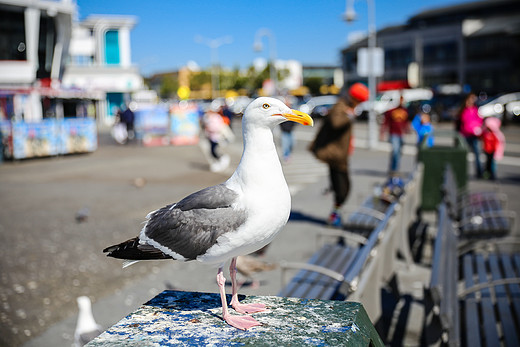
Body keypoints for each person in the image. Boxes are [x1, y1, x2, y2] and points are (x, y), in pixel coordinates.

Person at [309, 82, 369, 227]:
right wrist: (349, 115)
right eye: (359, 102)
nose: (359, 105)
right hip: (335, 155)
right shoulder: (341, 105)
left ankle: (335, 214)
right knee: (343, 189)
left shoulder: (345, 105)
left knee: (341, 188)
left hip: (340, 154)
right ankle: (335, 216)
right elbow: (335, 122)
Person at [380, 94, 410, 173]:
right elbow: (386, 122)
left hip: (401, 134)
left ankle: (395, 168)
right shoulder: (392, 111)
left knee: (399, 152)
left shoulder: (405, 111)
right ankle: (394, 169)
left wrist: (407, 130)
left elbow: (405, 122)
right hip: (393, 134)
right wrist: (382, 132)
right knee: (395, 151)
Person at [457, 92, 483, 178]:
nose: (472, 100)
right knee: (463, 155)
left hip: (474, 135)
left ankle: (480, 173)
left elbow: (480, 120)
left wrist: (477, 128)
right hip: (464, 135)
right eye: (471, 98)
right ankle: (461, 172)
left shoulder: (475, 110)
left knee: (477, 154)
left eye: (474, 99)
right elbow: (462, 121)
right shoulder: (463, 110)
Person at [203, 108, 231, 172]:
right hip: (211, 137)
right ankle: (219, 160)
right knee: (212, 151)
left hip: (217, 137)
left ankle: (222, 159)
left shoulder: (216, 118)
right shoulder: (208, 118)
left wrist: (209, 128)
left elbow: (218, 127)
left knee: (214, 150)